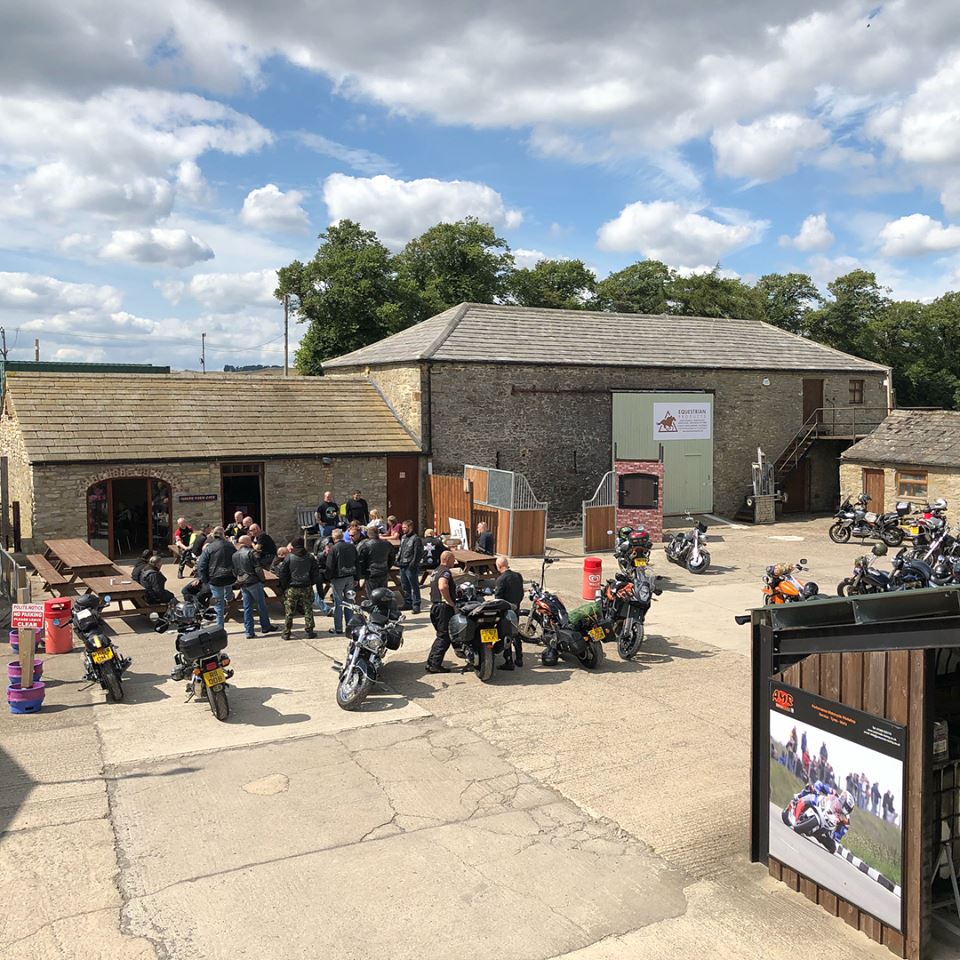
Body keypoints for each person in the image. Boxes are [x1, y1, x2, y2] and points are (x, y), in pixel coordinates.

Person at [232, 535, 277, 639]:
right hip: (253, 582)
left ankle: (249, 631)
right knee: (261, 605)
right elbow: (258, 569)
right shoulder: (251, 553)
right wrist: (262, 580)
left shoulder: (234, 555)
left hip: (243, 583)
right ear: (247, 542)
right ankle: (265, 626)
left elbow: (234, 571)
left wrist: (239, 579)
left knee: (247, 607)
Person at [278, 538, 319, 640]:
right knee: (308, 608)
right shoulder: (310, 557)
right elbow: (315, 572)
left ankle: (287, 632)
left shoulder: (289, 557)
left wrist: (284, 586)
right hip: (306, 586)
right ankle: (310, 631)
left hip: (292, 588)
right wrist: (311, 582)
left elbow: (283, 573)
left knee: (289, 611)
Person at [196, 526, 237, 627]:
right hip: (229, 576)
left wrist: (204, 580)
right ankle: (229, 596)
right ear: (223, 535)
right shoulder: (230, 546)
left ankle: (220, 627)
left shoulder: (209, 548)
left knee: (219, 605)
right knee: (227, 587)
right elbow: (236, 559)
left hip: (215, 578)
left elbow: (201, 565)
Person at [426, 550, 457, 673]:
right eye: (453, 559)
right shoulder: (445, 572)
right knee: (444, 637)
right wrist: (450, 602)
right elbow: (442, 586)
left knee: (440, 636)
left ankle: (431, 662)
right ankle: (435, 665)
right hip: (443, 607)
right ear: (447, 559)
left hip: (435, 606)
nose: (454, 562)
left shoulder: (435, 571)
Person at [494, 555, 525, 669]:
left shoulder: (501, 580)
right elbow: (521, 593)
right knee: (515, 633)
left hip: (505, 611)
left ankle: (509, 662)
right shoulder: (518, 576)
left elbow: (498, 599)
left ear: (499, 566)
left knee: (506, 634)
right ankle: (519, 658)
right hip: (516, 608)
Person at [326, 528, 358, 635]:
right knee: (349, 603)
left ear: (334, 538)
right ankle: (350, 627)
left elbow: (330, 566)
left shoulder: (333, 549)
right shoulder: (352, 546)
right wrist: (357, 577)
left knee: (338, 604)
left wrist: (328, 577)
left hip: (338, 579)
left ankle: (338, 628)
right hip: (350, 577)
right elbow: (357, 562)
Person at [357, 523, 397, 592]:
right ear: (378, 534)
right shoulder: (387, 544)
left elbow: (361, 561)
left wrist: (364, 572)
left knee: (372, 595)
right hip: (383, 571)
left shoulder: (365, 545)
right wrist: (388, 567)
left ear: (368, 534)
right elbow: (392, 556)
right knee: (383, 594)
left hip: (371, 573)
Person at [397, 520, 423, 613]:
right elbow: (401, 550)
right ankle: (408, 603)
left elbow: (418, 553)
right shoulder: (403, 537)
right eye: (402, 527)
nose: (403, 529)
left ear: (410, 527)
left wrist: (413, 564)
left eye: (405, 527)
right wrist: (398, 560)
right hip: (402, 565)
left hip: (410, 566)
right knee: (405, 585)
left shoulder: (416, 539)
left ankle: (416, 604)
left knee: (414, 586)